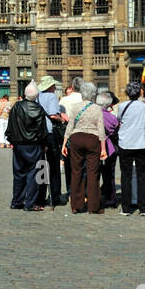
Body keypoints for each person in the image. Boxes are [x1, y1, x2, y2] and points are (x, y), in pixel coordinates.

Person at [62, 80, 108, 214]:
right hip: (92, 140)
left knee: (76, 171)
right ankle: (94, 206)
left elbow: (70, 126)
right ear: (93, 95)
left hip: (76, 139)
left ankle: (76, 205)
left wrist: (65, 143)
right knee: (93, 173)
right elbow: (101, 130)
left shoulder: (75, 107)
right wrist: (103, 148)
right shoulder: (97, 108)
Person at [5, 82, 48, 211]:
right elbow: (42, 130)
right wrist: (44, 143)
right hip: (33, 144)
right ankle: (30, 203)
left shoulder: (17, 107)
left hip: (19, 144)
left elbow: (10, 125)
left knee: (19, 173)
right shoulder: (38, 109)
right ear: (36, 96)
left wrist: (10, 139)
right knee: (33, 173)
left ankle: (17, 201)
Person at [115, 82, 145, 216]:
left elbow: (118, 119)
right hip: (142, 143)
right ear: (139, 93)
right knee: (142, 176)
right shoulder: (143, 106)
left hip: (126, 143)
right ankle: (143, 208)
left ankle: (126, 208)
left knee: (126, 176)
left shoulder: (122, 106)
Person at [36, 76, 66, 207]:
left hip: (38, 134)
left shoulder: (36, 97)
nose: (55, 88)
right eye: (54, 86)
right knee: (53, 166)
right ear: (50, 87)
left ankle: (40, 196)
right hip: (49, 134)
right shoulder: (51, 97)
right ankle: (55, 195)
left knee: (41, 165)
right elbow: (53, 115)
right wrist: (63, 119)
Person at [97, 89, 121, 209]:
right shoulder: (111, 118)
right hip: (109, 148)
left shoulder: (93, 114)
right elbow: (117, 131)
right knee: (109, 174)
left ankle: (93, 197)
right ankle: (110, 199)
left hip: (93, 148)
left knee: (94, 174)